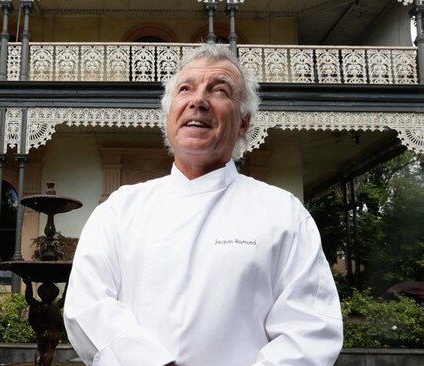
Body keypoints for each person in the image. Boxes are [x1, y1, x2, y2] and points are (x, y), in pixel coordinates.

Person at [63, 44, 343, 366]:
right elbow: (87, 307)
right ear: (170, 115)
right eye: (186, 89)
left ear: (244, 123)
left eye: (219, 90)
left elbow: (309, 330)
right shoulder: (119, 210)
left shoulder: (284, 214)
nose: (198, 101)